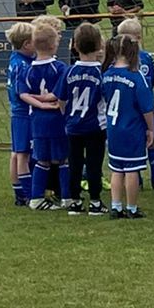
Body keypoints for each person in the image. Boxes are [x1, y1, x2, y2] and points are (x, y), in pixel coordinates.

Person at [100, 32, 154, 218]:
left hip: (113, 128)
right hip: (131, 129)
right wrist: (151, 129)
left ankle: (116, 206)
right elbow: (146, 108)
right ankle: (132, 207)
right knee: (132, 170)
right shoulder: (136, 76)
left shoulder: (107, 74)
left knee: (116, 169)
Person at [20, 19, 70, 210]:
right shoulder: (60, 68)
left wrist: (38, 103)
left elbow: (23, 94)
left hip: (37, 121)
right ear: (53, 45)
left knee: (42, 160)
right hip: (57, 120)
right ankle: (67, 197)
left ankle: (36, 198)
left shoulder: (27, 70)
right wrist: (47, 102)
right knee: (62, 159)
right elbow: (58, 95)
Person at [62, 22, 106, 215]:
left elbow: (62, 99)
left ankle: (75, 201)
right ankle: (95, 201)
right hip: (95, 126)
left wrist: (68, 116)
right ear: (99, 46)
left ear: (74, 45)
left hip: (73, 126)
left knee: (75, 164)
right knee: (94, 164)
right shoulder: (100, 73)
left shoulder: (69, 71)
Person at [115, 18, 154, 189]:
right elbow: (152, 81)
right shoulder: (147, 57)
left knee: (136, 144)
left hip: (130, 108)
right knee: (151, 142)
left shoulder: (120, 61)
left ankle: (141, 180)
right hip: (146, 105)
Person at [6, 20, 36, 208]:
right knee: (22, 154)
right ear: (26, 44)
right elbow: (21, 92)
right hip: (23, 113)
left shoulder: (15, 58)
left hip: (18, 113)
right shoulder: (22, 65)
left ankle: (20, 193)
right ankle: (28, 194)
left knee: (17, 153)